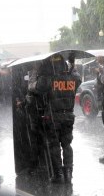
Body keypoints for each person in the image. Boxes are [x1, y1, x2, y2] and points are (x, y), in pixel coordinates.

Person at [30, 54, 81, 183]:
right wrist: (72, 66)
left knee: (54, 146)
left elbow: (34, 88)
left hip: (53, 116)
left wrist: (35, 72)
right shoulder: (73, 77)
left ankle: (59, 174)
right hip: (69, 116)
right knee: (67, 145)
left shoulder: (48, 78)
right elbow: (78, 77)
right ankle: (69, 173)